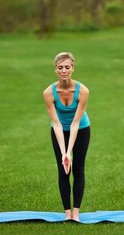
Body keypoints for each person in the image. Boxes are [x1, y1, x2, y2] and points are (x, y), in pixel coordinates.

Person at [43, 52, 91, 221]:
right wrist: (64, 153)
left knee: (77, 169)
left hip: (81, 129)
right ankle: (67, 213)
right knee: (63, 171)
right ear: (55, 70)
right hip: (58, 130)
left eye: (67, 67)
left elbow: (75, 123)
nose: (64, 71)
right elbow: (56, 123)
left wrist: (69, 151)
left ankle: (76, 213)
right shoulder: (48, 93)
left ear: (73, 68)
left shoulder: (83, 91)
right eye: (60, 67)